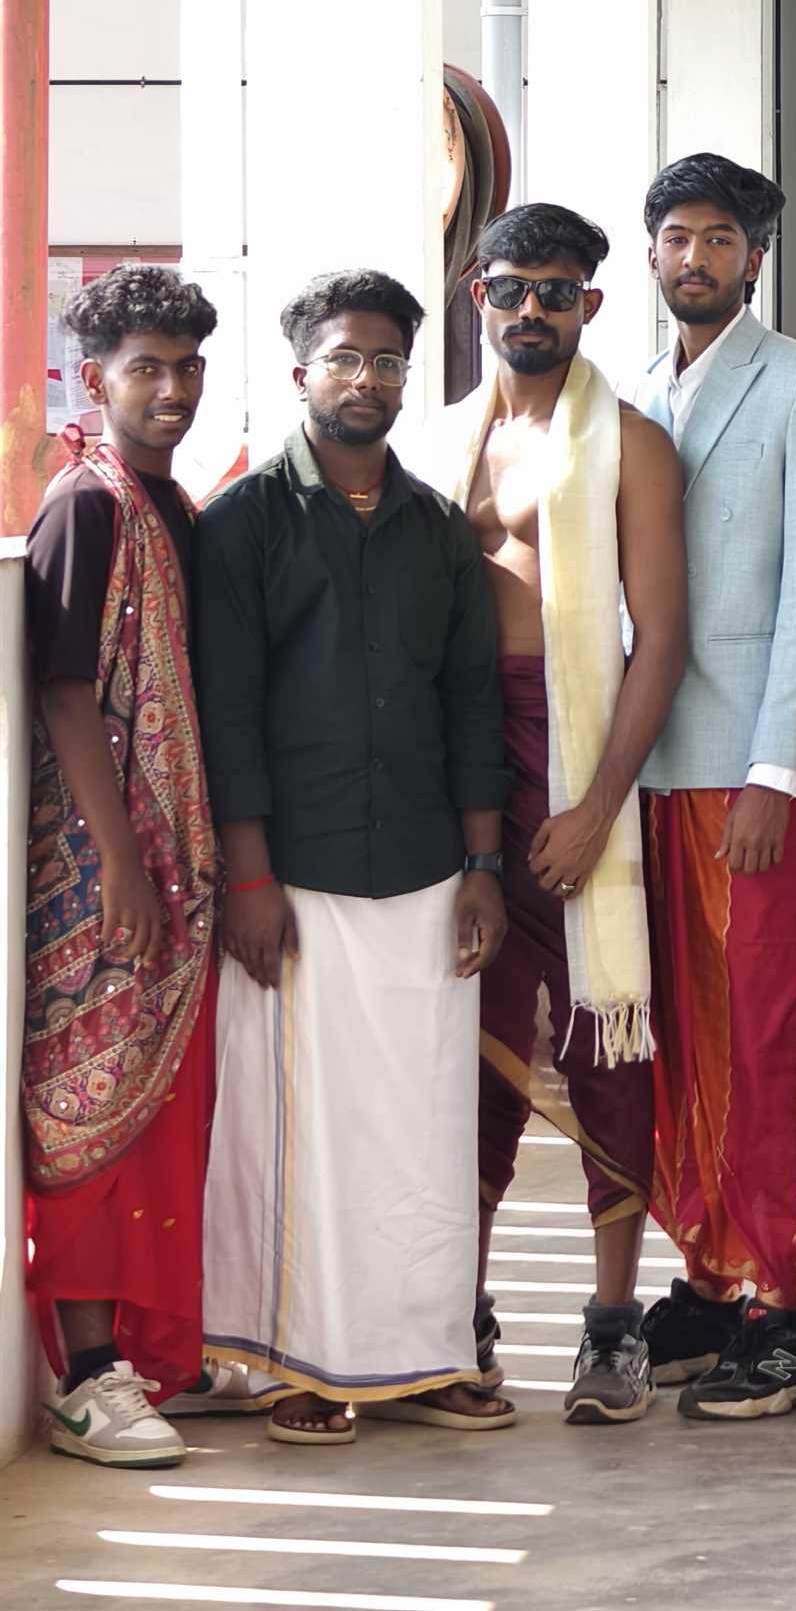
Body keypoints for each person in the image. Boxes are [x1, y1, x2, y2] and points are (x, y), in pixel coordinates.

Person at [196, 271, 515, 1446]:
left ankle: (421, 1357)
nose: (366, 377)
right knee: (300, 1133)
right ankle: (296, 1360)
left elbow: (471, 699)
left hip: (425, 868)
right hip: (294, 876)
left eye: (386, 360)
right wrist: (247, 879)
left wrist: (482, 865)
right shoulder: (243, 521)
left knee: (421, 1127)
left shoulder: (435, 527)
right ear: (301, 372)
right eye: (344, 356)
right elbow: (227, 708)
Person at [429, 203, 686, 1425]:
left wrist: (596, 805)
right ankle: (460, 1310)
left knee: (605, 1042)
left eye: (555, 289)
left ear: (591, 301)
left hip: (576, 751)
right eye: (509, 287)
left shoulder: (628, 443)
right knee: (465, 1040)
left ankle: (612, 1320)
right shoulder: (439, 441)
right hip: (457, 759)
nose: (529, 308)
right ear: (476, 293)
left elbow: (661, 638)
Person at [629, 155, 796, 1421]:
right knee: (679, 1036)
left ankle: (788, 1304)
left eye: (720, 237)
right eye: (678, 235)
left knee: (772, 1034)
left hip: (751, 769)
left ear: (754, 257)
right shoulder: (630, 393)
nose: (696, 256)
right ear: (652, 252)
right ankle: (710, 1274)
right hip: (648, 766)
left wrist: (781, 762)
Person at [23, 267, 219, 1468]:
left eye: (188, 365)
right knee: (86, 1112)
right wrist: (120, 868)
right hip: (94, 879)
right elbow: (63, 692)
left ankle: (137, 1356)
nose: (172, 388)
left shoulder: (172, 504)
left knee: (152, 1115)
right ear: (94, 380)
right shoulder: (84, 508)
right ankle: (86, 1374)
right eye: (147, 367)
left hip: (165, 867)